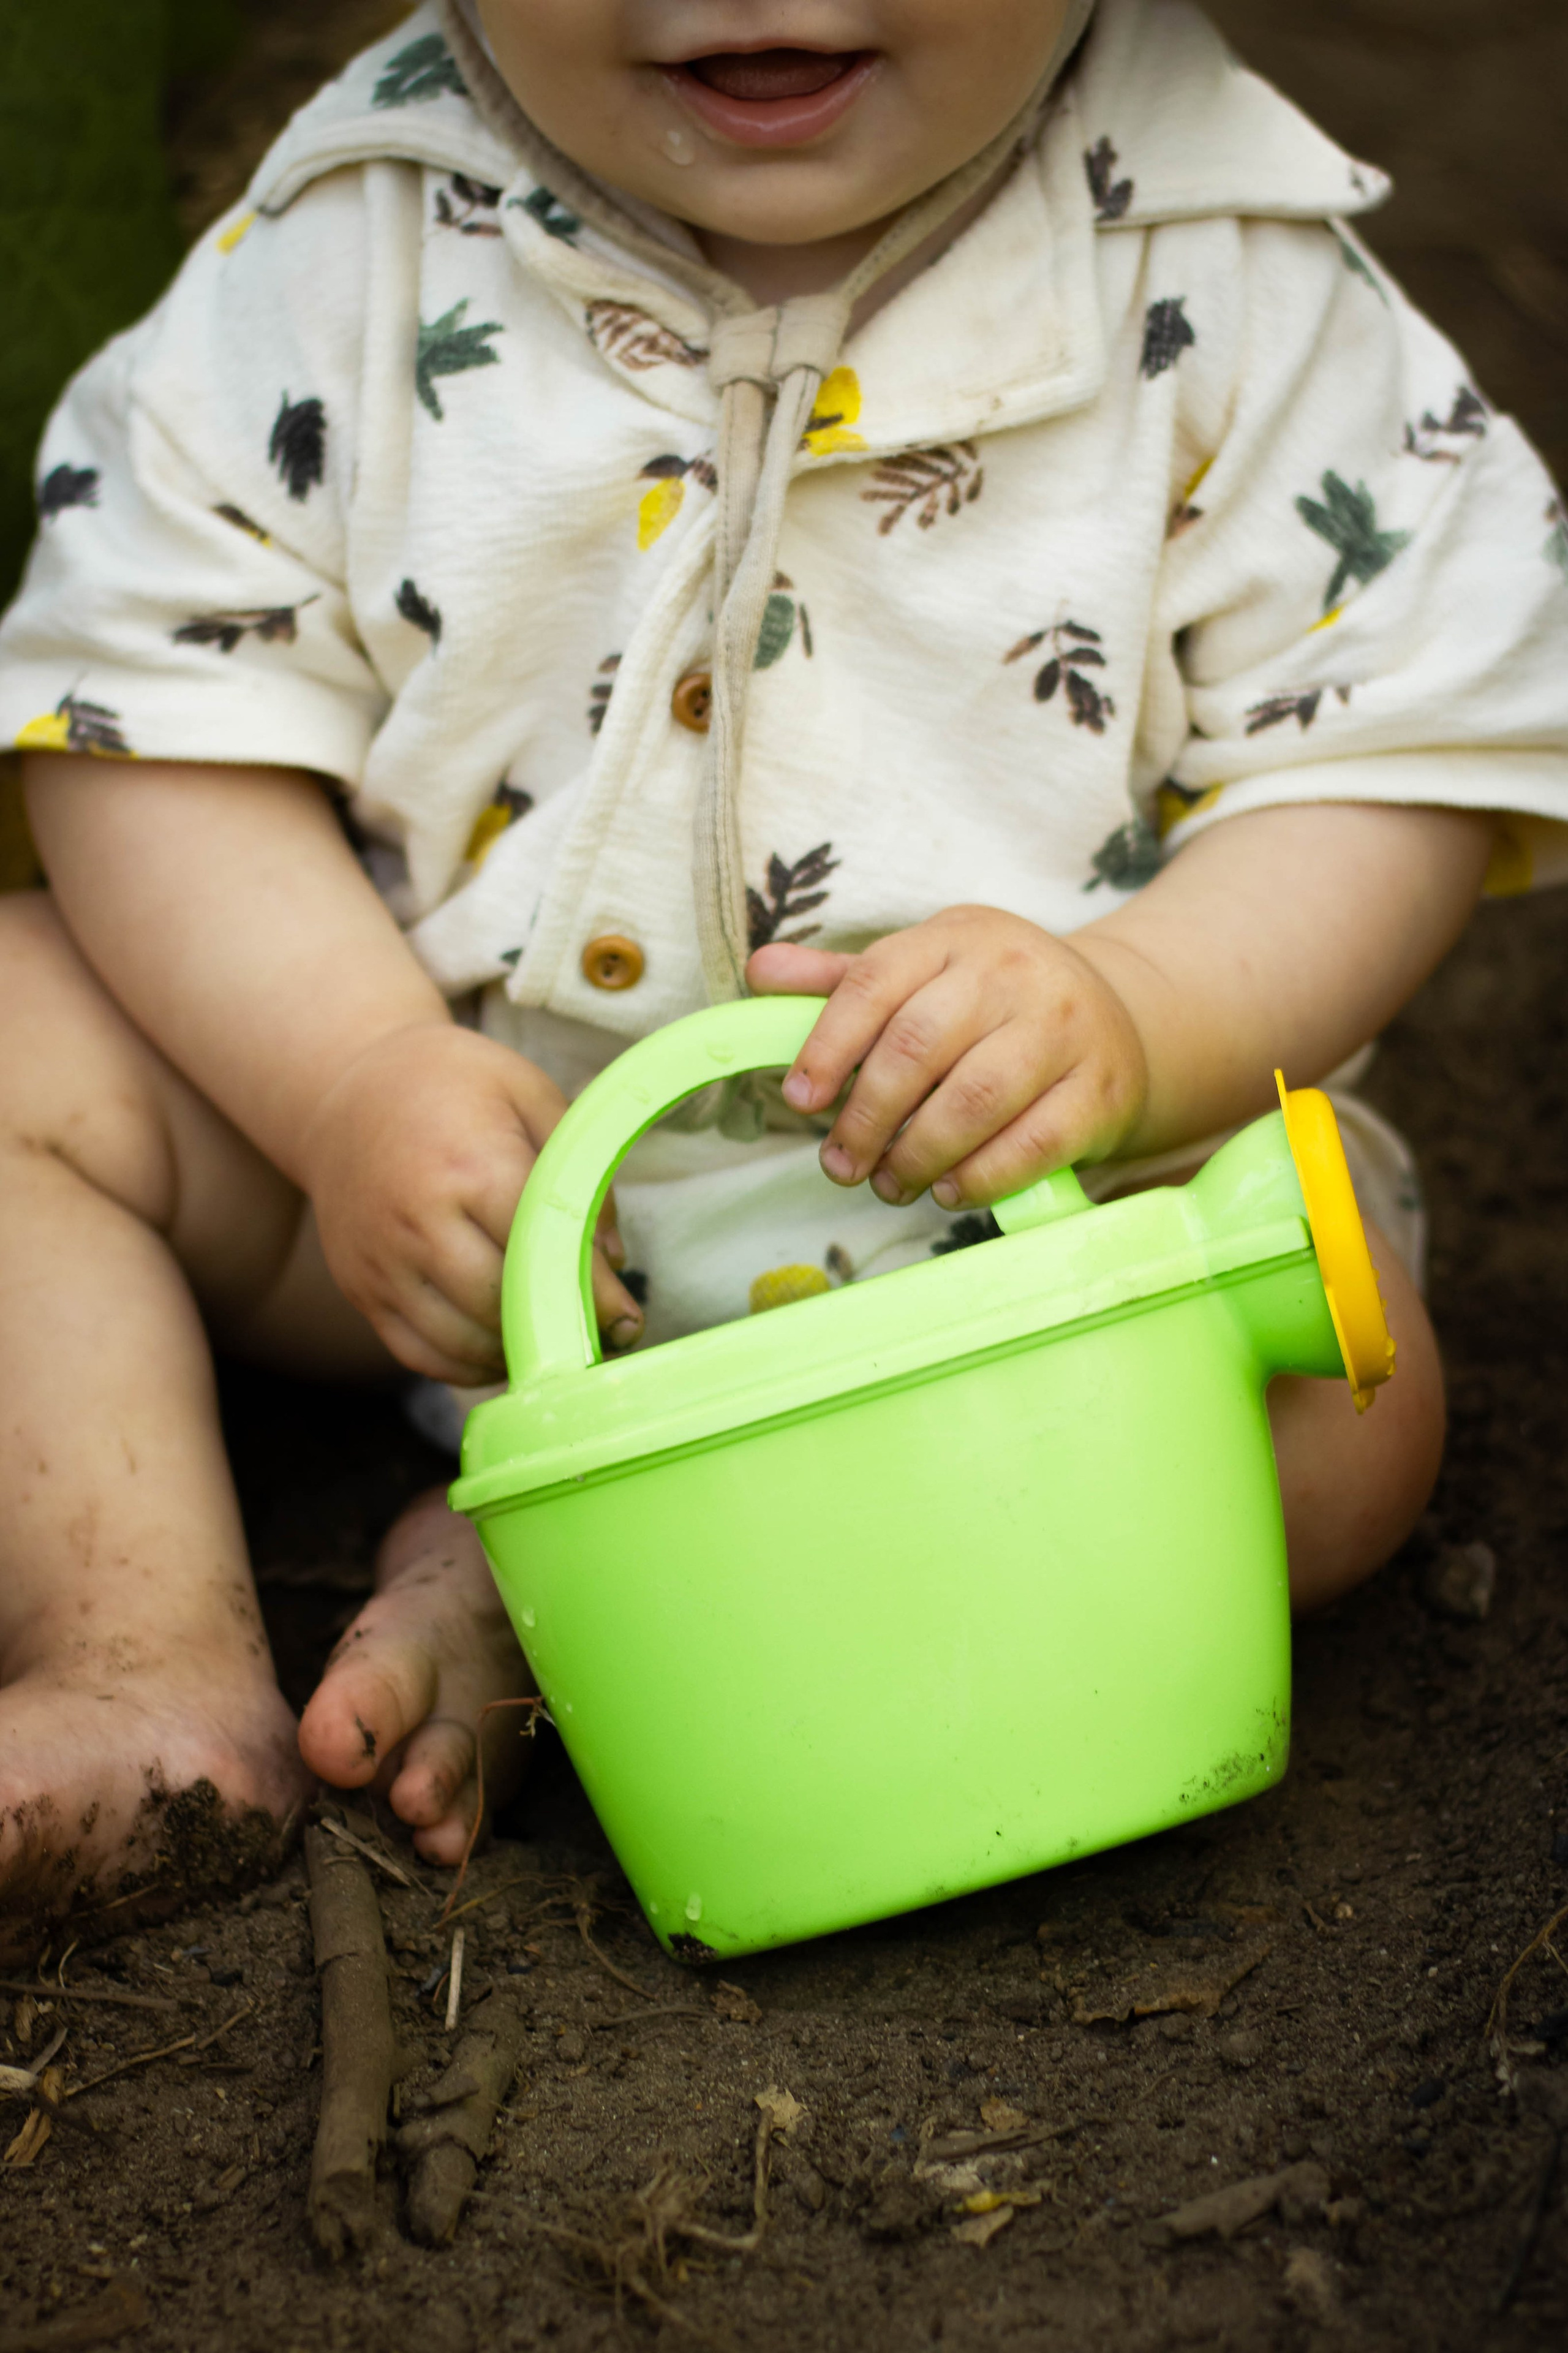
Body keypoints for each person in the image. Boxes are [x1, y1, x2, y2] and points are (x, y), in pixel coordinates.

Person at [1, 0, 1565, 1951]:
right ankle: (144, 1645)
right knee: (21, 1030)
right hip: (468, 1220)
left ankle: (566, 1594)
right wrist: (344, 1077)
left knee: (1351, 1396)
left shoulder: (1220, 249)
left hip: (1025, 1238)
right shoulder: (350, 242)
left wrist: (1145, 1016)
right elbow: (146, 715)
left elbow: (1395, 744)